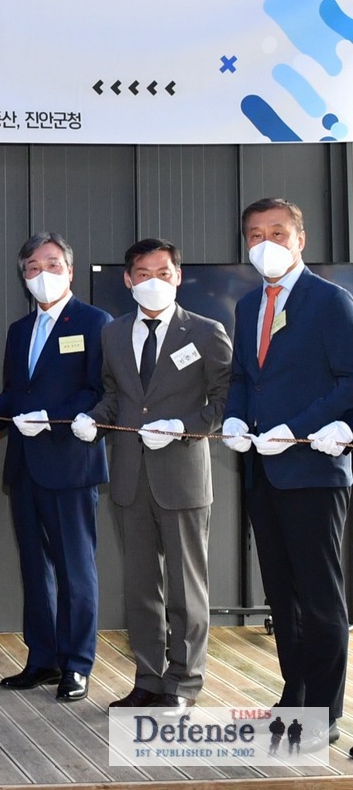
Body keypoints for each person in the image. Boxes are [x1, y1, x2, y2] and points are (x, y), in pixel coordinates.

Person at [71, 238, 231, 713]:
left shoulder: (206, 331)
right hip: (129, 476)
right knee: (141, 588)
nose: (153, 281)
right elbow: (114, 397)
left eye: (163, 273)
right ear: (128, 280)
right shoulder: (114, 333)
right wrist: (92, 420)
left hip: (182, 477)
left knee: (186, 588)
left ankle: (183, 682)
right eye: (143, 273)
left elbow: (225, 402)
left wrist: (184, 428)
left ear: (178, 276)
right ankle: (147, 679)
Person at [220, 197, 353, 746]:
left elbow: (349, 380)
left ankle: (324, 710)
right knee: (282, 594)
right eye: (255, 234)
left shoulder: (331, 301)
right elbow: (243, 377)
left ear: (301, 239)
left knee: (319, 597)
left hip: (313, 469)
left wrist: (294, 428)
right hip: (260, 472)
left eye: (277, 232)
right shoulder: (249, 304)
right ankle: (294, 695)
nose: (265, 242)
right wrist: (233, 416)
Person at [0, 231, 110, 703]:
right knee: (34, 568)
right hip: (25, 465)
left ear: (70, 269)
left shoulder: (94, 321)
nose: (42, 274)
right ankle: (42, 658)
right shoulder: (20, 329)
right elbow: (15, 393)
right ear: (23, 277)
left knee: (75, 570)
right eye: (32, 268)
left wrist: (54, 417)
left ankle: (77, 663)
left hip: (70, 463)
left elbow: (97, 390)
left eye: (51, 264)